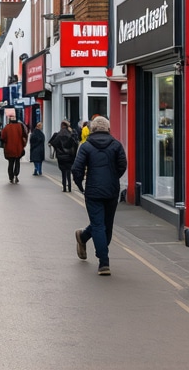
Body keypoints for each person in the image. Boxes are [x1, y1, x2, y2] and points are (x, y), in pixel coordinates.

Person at [71, 116, 127, 276]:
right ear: (108, 129)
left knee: (99, 225)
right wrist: (113, 177)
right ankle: (104, 263)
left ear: (93, 129)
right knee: (104, 226)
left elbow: (77, 168)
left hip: (93, 190)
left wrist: (80, 184)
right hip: (111, 190)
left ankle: (83, 236)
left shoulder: (86, 146)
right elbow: (123, 165)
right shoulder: (116, 145)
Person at [49, 120, 78, 192]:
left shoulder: (58, 134)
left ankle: (64, 187)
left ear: (62, 125)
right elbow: (75, 143)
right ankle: (70, 187)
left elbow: (53, 143)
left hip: (60, 156)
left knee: (63, 171)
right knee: (68, 171)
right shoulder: (70, 134)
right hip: (69, 156)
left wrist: (58, 149)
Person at [1, 116, 28, 184]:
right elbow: (24, 135)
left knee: (10, 163)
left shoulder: (7, 127)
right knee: (17, 162)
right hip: (18, 148)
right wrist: (23, 145)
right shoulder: (20, 126)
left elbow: (3, 137)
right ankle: (16, 174)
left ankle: (11, 177)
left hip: (9, 148)